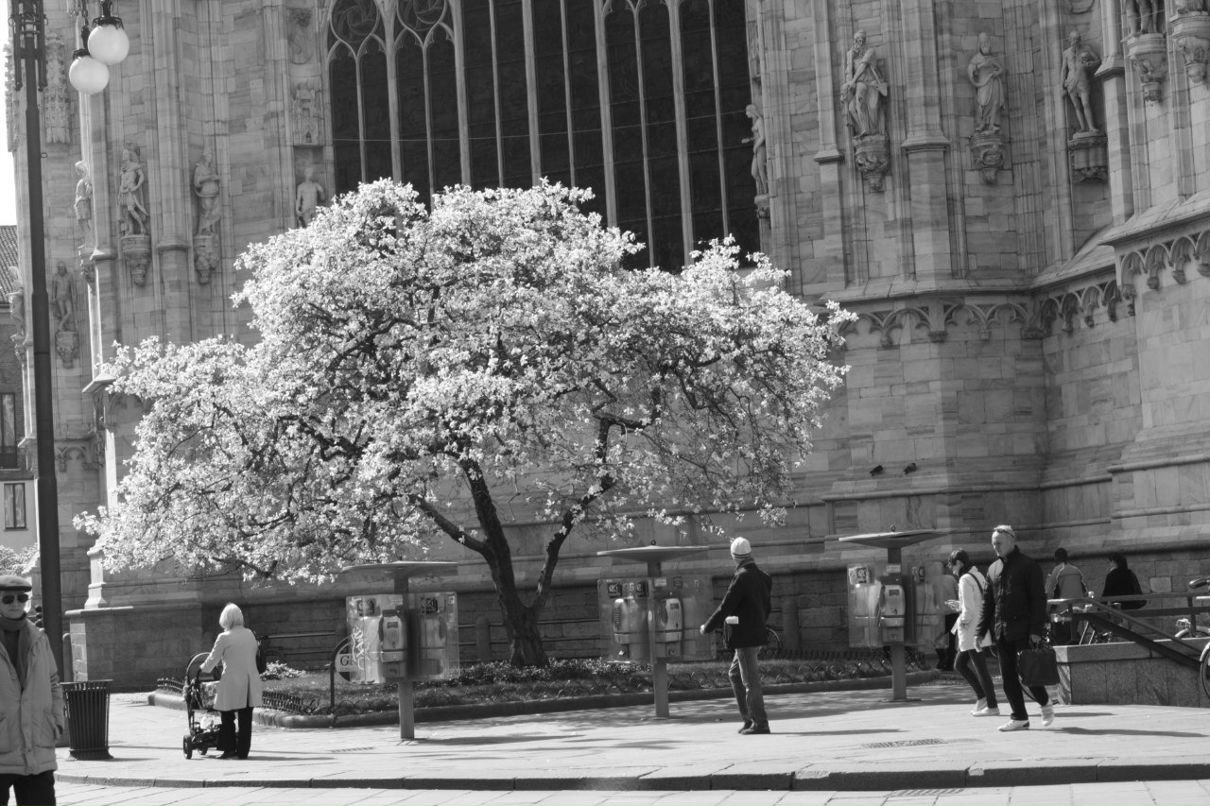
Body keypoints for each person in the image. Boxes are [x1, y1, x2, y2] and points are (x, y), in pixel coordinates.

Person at [978, 524, 1053, 732]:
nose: (996, 547)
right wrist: (980, 631)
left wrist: (1036, 631)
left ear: (1012, 541)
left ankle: (1044, 702)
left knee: (1028, 673)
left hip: (1024, 629)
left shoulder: (1028, 566)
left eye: (999, 543)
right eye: (993, 544)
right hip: (1002, 631)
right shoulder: (992, 569)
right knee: (1008, 677)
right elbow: (988, 604)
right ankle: (1019, 717)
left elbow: (1038, 600)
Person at [0, 574, 64, 805]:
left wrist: (56, 719)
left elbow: (53, 681)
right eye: (7, 599)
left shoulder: (39, 637)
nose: (16, 603)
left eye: (21, 598)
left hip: (37, 747)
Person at [700, 537, 773, 735]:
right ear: (750, 553)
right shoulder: (764, 577)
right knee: (735, 674)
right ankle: (749, 718)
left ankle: (760, 722)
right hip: (757, 633)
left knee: (750, 681)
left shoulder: (741, 577)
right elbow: (767, 608)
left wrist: (707, 627)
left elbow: (726, 607)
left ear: (734, 557)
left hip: (744, 637)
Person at [200, 603, 264, 759]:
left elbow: (212, 660)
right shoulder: (249, 634)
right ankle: (243, 751)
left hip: (232, 682)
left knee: (227, 716)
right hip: (250, 681)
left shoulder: (224, 637)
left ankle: (228, 748)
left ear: (225, 619)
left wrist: (203, 668)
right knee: (245, 718)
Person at [946, 550, 998, 716]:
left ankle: (991, 704)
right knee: (960, 664)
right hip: (981, 626)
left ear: (959, 563)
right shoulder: (979, 576)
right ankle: (983, 698)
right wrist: (959, 605)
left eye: (952, 565)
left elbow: (968, 611)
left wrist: (960, 623)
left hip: (971, 631)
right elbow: (978, 602)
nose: (952, 570)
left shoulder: (964, 579)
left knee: (979, 668)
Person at [841, 30, 888, 138]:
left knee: (866, 103)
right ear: (855, 42)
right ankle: (863, 129)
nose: (860, 43)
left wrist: (853, 81)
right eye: (858, 41)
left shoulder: (870, 52)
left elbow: (862, 67)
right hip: (859, 84)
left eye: (862, 40)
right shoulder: (853, 57)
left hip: (870, 84)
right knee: (851, 108)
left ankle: (870, 130)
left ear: (865, 41)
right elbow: (848, 72)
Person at [1045, 548, 1088, 645]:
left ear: (1056, 558)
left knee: (1062, 639)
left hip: (1062, 612)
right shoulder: (1077, 570)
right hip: (1077, 611)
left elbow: (1050, 593)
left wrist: (1046, 611)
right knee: (1073, 635)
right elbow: (1085, 591)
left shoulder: (1056, 571)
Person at [1060, 30, 1099, 133]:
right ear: (1070, 40)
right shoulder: (1066, 53)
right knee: (1077, 106)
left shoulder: (1086, 49)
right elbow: (1064, 69)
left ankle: (1091, 126)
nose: (1076, 42)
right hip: (1071, 81)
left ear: (1080, 40)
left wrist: (1090, 64)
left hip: (1083, 79)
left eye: (1077, 39)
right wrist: (1062, 87)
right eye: (1074, 39)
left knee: (1086, 103)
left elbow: (1097, 61)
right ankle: (1082, 127)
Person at [968, 33, 1006, 133]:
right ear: (979, 45)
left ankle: (992, 124)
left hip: (993, 83)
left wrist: (996, 73)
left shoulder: (991, 58)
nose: (985, 45)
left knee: (995, 102)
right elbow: (971, 70)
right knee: (983, 103)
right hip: (982, 85)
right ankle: (983, 123)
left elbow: (1001, 68)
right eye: (983, 43)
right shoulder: (976, 58)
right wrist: (981, 65)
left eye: (986, 42)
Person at [934, 561, 959, 671]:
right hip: (954, 614)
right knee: (952, 640)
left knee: (935, 637)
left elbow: (932, 599)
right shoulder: (952, 578)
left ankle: (942, 658)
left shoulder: (934, 581)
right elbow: (958, 593)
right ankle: (949, 664)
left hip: (941, 615)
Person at [742, 104, 768, 196]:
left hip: (761, 148)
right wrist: (750, 139)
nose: (746, 113)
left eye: (747, 111)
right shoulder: (756, 121)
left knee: (761, 170)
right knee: (754, 172)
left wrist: (756, 146)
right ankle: (761, 187)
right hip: (757, 149)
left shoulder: (760, 121)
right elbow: (757, 136)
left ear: (751, 111)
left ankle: (765, 190)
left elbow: (763, 137)